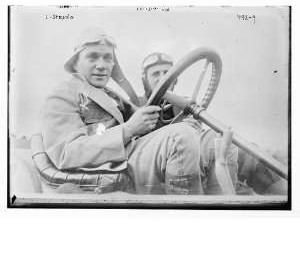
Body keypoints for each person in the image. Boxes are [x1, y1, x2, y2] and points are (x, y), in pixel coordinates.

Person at [39, 27, 204, 195]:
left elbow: (149, 126)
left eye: (107, 58)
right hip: (111, 170)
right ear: (75, 63)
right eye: (92, 57)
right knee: (181, 137)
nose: (102, 65)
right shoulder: (62, 94)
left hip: (131, 158)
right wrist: (128, 130)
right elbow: (66, 154)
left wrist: (184, 122)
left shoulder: (111, 95)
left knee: (212, 142)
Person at [140, 52, 288, 195]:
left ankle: (285, 195)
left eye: (166, 73)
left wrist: (194, 128)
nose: (161, 78)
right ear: (145, 80)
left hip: (192, 156)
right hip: (161, 167)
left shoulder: (182, 105)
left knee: (244, 152)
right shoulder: (136, 107)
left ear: (174, 78)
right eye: (155, 74)